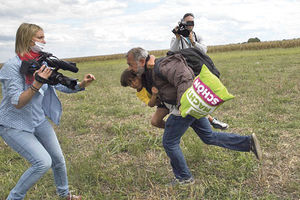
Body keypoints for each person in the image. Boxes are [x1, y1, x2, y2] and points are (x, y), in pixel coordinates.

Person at [125, 47, 262, 186]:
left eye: (130, 64)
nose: (130, 68)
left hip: (184, 107)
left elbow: (184, 76)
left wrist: (182, 105)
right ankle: (248, 142)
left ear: (142, 61)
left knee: (169, 142)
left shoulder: (162, 65)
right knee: (208, 137)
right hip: (189, 106)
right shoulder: (150, 70)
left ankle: (184, 178)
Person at [0, 23, 95, 200]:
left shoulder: (41, 63)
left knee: (58, 159)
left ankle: (64, 195)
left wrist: (81, 85)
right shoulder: (11, 67)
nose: (45, 41)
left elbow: (58, 84)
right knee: (42, 162)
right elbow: (17, 103)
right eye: (40, 37)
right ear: (28, 40)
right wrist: (37, 83)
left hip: (37, 120)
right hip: (13, 124)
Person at [170, 13, 229, 130]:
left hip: (196, 67)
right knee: (191, 94)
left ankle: (207, 119)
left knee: (199, 94)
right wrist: (177, 38)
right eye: (187, 23)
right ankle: (210, 120)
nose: (190, 25)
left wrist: (193, 42)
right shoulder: (177, 37)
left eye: (192, 23)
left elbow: (204, 50)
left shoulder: (197, 36)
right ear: (183, 23)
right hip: (183, 68)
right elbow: (172, 51)